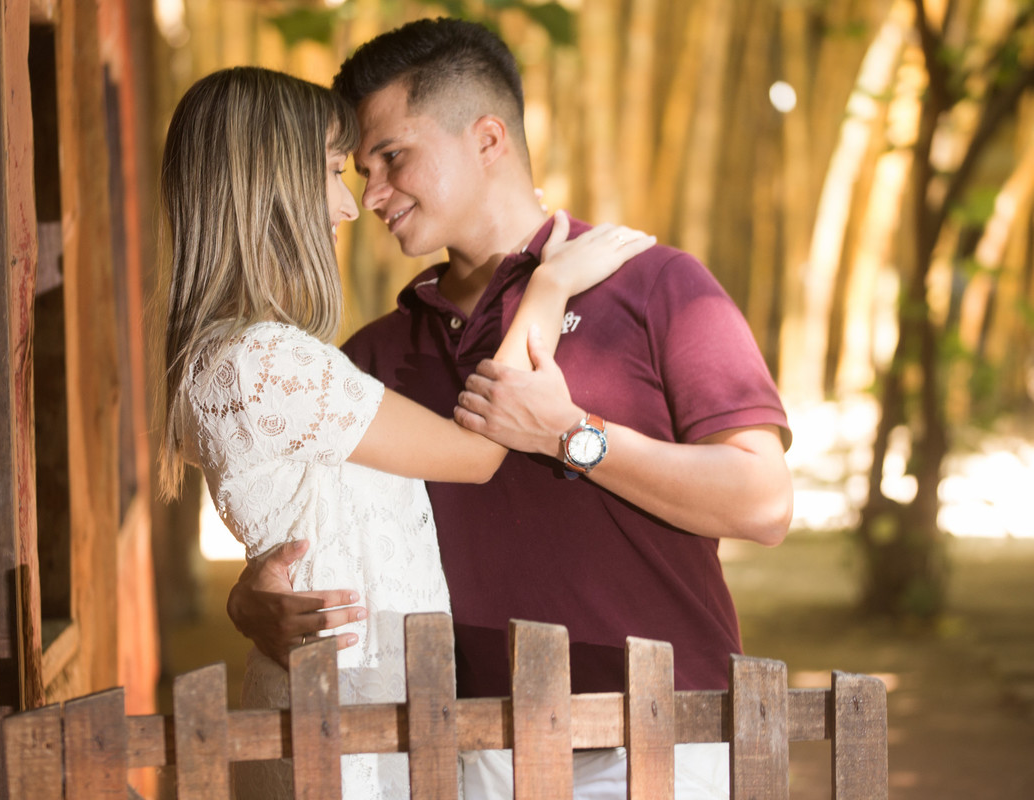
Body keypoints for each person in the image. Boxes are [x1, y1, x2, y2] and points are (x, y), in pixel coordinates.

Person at [224, 18, 794, 800]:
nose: (374, 194)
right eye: (360, 170)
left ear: (488, 137)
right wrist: (254, 599)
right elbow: (316, 538)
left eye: (393, 156)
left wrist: (572, 435)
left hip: (664, 737)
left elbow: (763, 502)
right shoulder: (369, 357)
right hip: (466, 753)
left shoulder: (655, 285)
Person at [159, 66, 653, 800]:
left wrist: (245, 597)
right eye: (333, 171)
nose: (350, 205)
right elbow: (480, 452)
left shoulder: (226, 356)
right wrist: (547, 290)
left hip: (334, 692)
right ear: (268, 185)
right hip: (345, 706)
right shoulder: (270, 360)